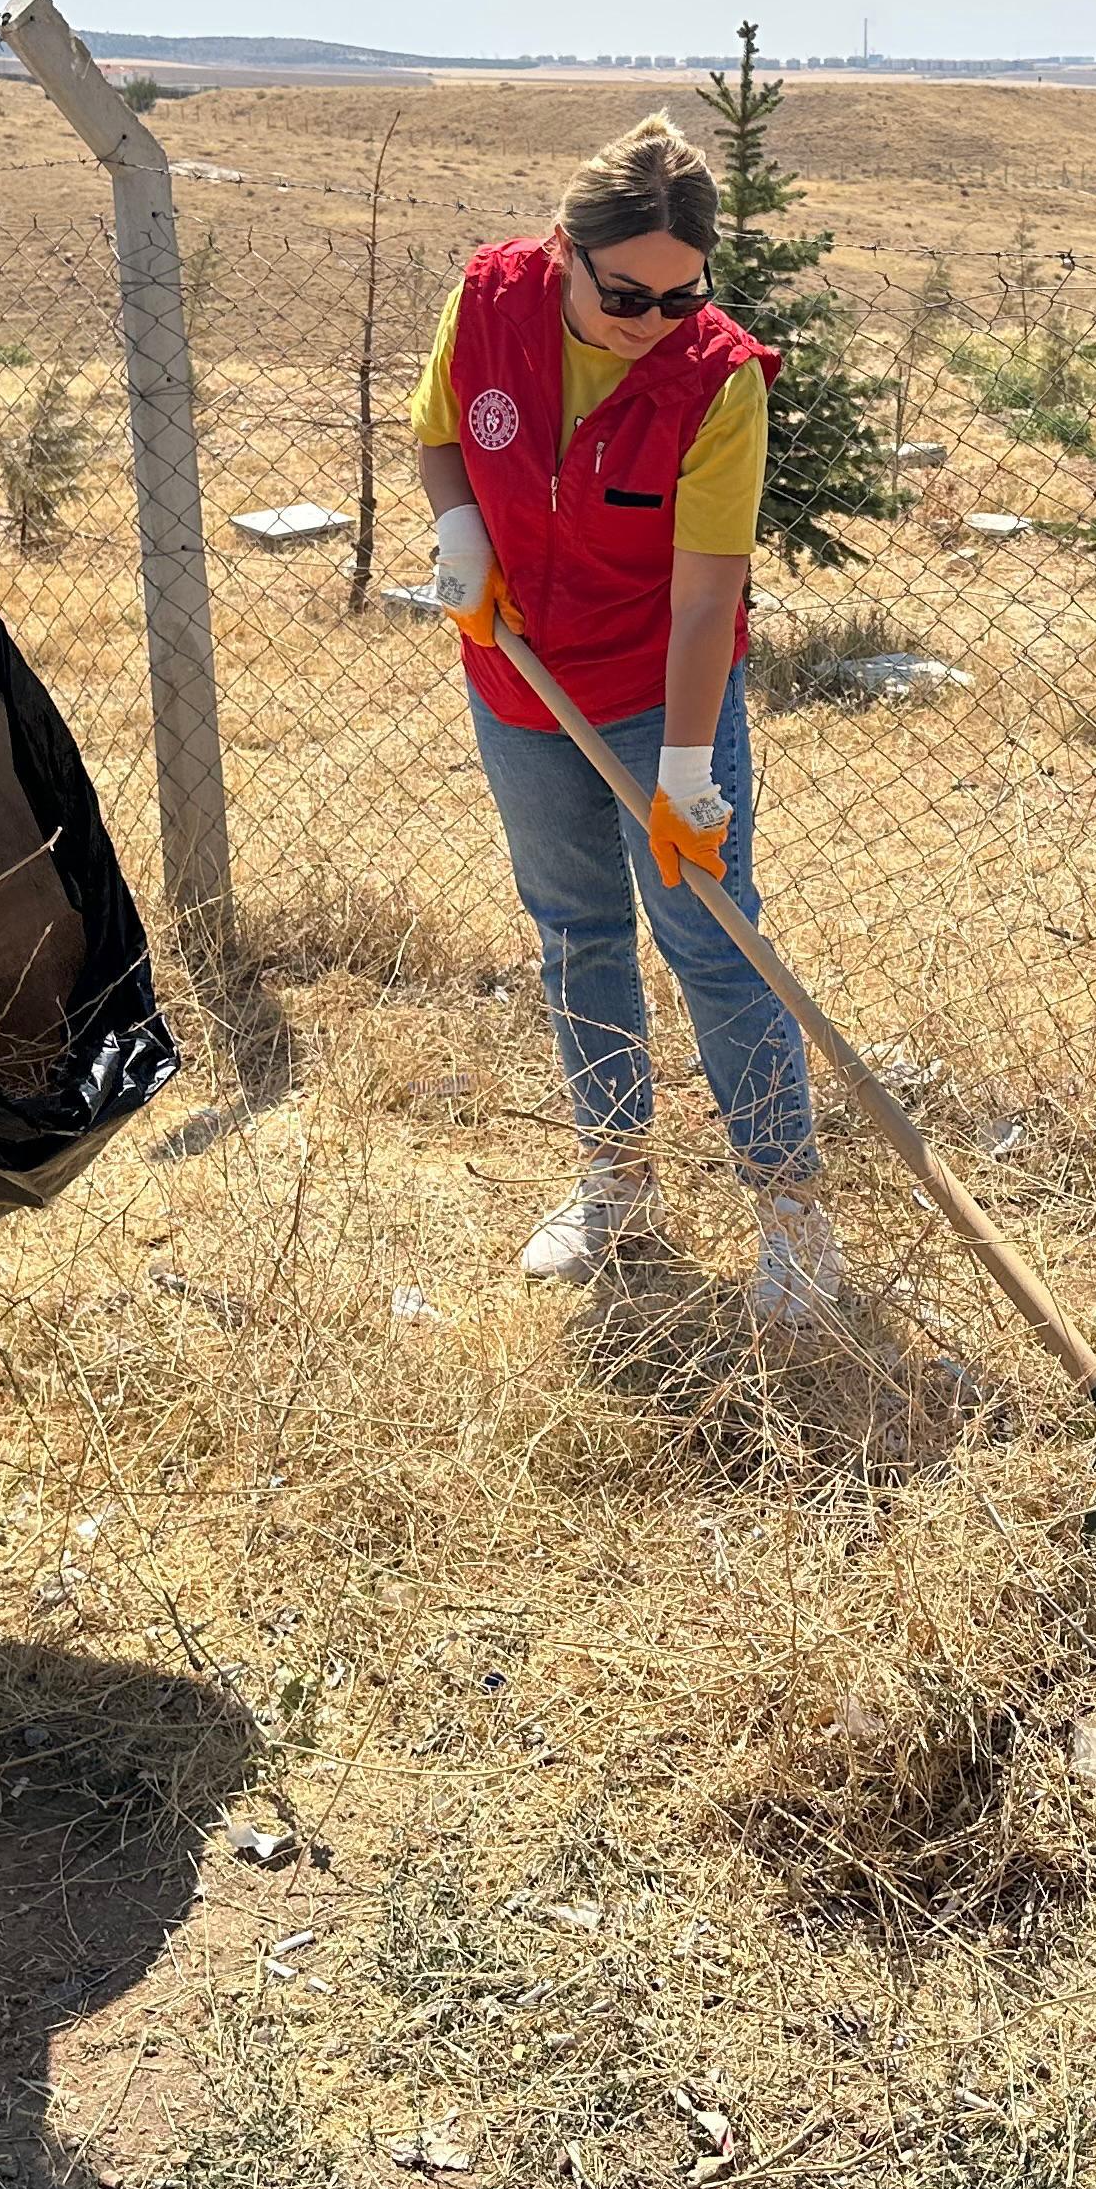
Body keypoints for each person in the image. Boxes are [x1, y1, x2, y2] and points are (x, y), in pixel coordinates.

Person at [414, 112, 840, 1319]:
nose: (651, 323)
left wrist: (690, 774)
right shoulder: (489, 302)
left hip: (663, 694)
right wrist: (461, 531)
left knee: (713, 940)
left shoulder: (717, 381)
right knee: (574, 928)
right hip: (520, 678)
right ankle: (615, 1181)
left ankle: (791, 1214)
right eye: (625, 295)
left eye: (680, 296)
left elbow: (709, 600)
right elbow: (441, 432)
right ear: (563, 248)